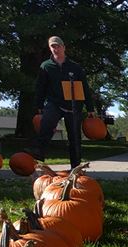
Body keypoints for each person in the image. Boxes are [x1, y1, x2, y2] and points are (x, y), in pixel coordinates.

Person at [32, 36, 97, 168]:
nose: (55, 48)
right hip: (54, 103)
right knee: (46, 126)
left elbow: (84, 88)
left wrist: (90, 108)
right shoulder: (46, 66)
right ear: (50, 48)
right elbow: (40, 87)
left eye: (58, 46)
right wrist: (39, 106)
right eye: (52, 46)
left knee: (74, 138)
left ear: (63, 47)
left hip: (73, 106)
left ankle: (75, 167)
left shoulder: (75, 67)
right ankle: (38, 156)